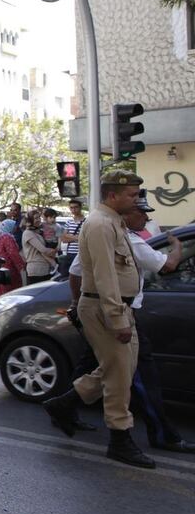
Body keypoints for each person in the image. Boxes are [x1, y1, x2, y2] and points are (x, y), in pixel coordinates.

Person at [58, 191, 190, 453]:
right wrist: (113, 318)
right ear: (123, 212)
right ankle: (136, 435)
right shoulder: (106, 232)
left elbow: (76, 274)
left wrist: (80, 306)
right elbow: (104, 280)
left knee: (110, 369)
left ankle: (65, 404)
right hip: (114, 314)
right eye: (138, 209)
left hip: (116, 313)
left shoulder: (124, 236)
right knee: (127, 374)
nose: (145, 216)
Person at [44, 170, 152, 469]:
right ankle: (120, 439)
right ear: (112, 194)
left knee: (121, 369)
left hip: (120, 308)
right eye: (131, 195)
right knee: (118, 375)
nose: (136, 200)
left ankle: (64, 403)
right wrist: (118, 320)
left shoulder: (113, 222)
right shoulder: (101, 224)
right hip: (107, 310)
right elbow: (105, 277)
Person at [21, 209, 56, 285]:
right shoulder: (28, 233)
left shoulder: (38, 232)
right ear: (30, 220)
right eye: (36, 218)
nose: (38, 220)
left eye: (39, 217)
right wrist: (54, 251)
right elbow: (43, 250)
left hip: (44, 268)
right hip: (36, 269)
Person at [0, 219, 25, 299]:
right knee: (10, 295)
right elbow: (13, 253)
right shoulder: (8, 237)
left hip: (1, 269)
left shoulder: (0, 237)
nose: (15, 228)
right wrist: (22, 266)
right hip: (9, 270)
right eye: (14, 226)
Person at [58, 199, 85, 277]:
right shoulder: (69, 222)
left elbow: (85, 238)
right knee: (67, 275)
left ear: (80, 208)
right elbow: (64, 239)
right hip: (70, 253)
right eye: (71, 208)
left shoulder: (86, 221)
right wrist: (77, 237)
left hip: (81, 253)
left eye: (76, 207)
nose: (73, 210)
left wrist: (69, 235)